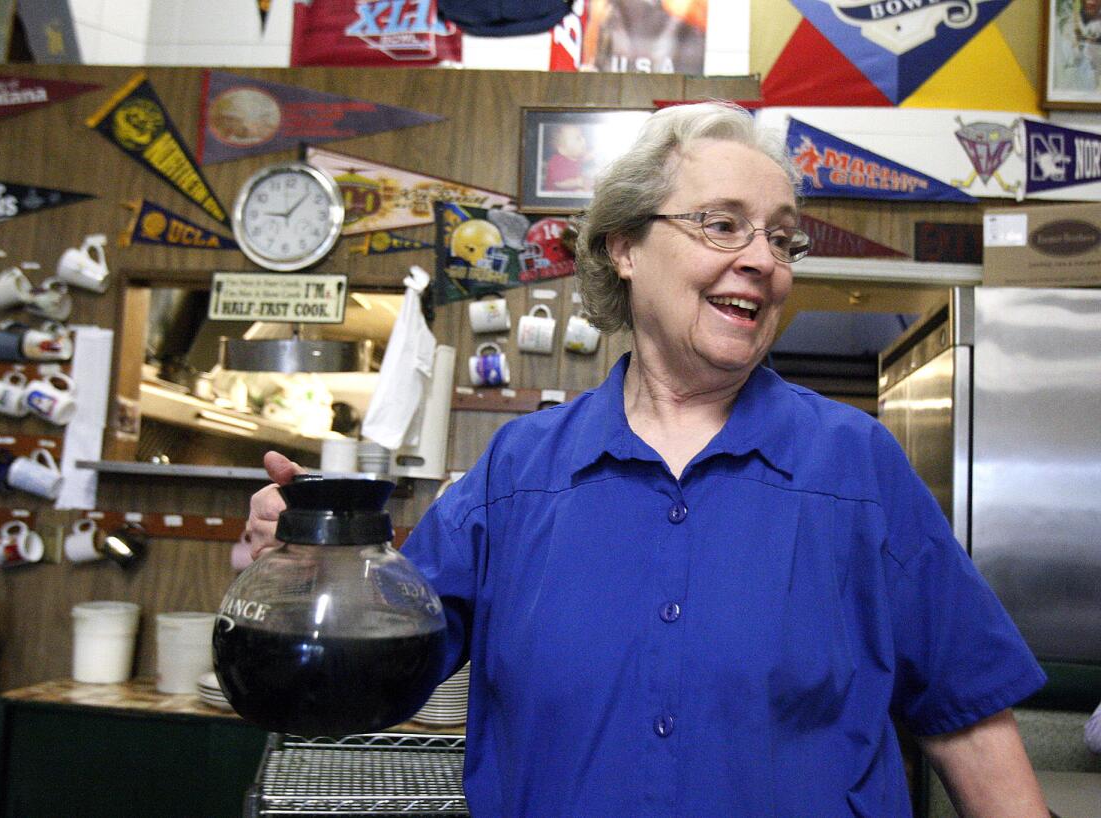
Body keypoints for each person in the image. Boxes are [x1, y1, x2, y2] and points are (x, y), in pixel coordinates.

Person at [245, 101, 1050, 817]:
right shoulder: (517, 472)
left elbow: (968, 712)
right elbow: (383, 660)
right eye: (723, 224)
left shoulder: (857, 466)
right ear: (624, 247)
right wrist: (304, 573)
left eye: (781, 236)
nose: (765, 260)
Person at [542, 123, 593, 194]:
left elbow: (582, 159)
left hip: (572, 188)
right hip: (556, 195)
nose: (584, 140)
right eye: (578, 138)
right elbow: (558, 183)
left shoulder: (574, 156)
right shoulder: (556, 162)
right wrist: (578, 182)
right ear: (562, 150)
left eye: (582, 136)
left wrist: (590, 155)